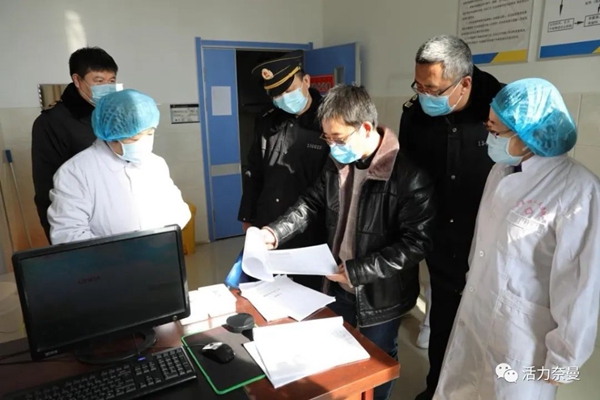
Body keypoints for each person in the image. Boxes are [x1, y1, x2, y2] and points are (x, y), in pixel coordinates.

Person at [260, 84, 436, 400]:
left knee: (377, 361)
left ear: (366, 128)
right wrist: (274, 232)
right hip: (337, 282)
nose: (332, 147)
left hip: (380, 295)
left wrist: (358, 271)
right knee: (339, 356)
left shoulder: (409, 176)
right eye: (327, 139)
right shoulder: (338, 163)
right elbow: (310, 203)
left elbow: (416, 243)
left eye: (338, 139)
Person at [435, 78, 600, 400]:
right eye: (489, 126)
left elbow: (580, 285)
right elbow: (483, 246)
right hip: (478, 312)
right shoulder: (501, 170)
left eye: (496, 131)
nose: (489, 137)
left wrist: (564, 358)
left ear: (528, 133)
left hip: (524, 337)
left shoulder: (580, 191)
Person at [397, 35, 504, 400]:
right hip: (441, 240)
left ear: (465, 83)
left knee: (488, 333)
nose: (425, 95)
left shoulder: (502, 109)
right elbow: (407, 176)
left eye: (433, 89)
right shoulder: (416, 115)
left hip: (490, 244)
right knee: (443, 325)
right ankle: (437, 391)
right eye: (419, 86)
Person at [237, 50, 330, 290]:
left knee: (307, 294)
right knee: (266, 291)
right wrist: (248, 216)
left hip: (310, 229)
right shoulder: (268, 119)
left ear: (306, 81)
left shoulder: (328, 120)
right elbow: (254, 170)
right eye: (276, 94)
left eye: (288, 91)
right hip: (268, 224)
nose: (283, 99)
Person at [47, 89, 190, 244]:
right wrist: (122, 250)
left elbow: (178, 210)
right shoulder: (75, 172)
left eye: (149, 134)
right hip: (107, 258)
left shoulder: (155, 163)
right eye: (134, 139)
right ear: (111, 136)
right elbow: (68, 235)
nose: (144, 143)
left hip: (159, 252)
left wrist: (160, 238)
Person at [32, 47, 120, 242]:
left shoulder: (115, 115)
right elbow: (46, 188)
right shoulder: (51, 122)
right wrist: (60, 242)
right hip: (81, 223)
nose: (106, 87)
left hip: (118, 217)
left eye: (111, 81)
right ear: (77, 80)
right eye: (99, 81)